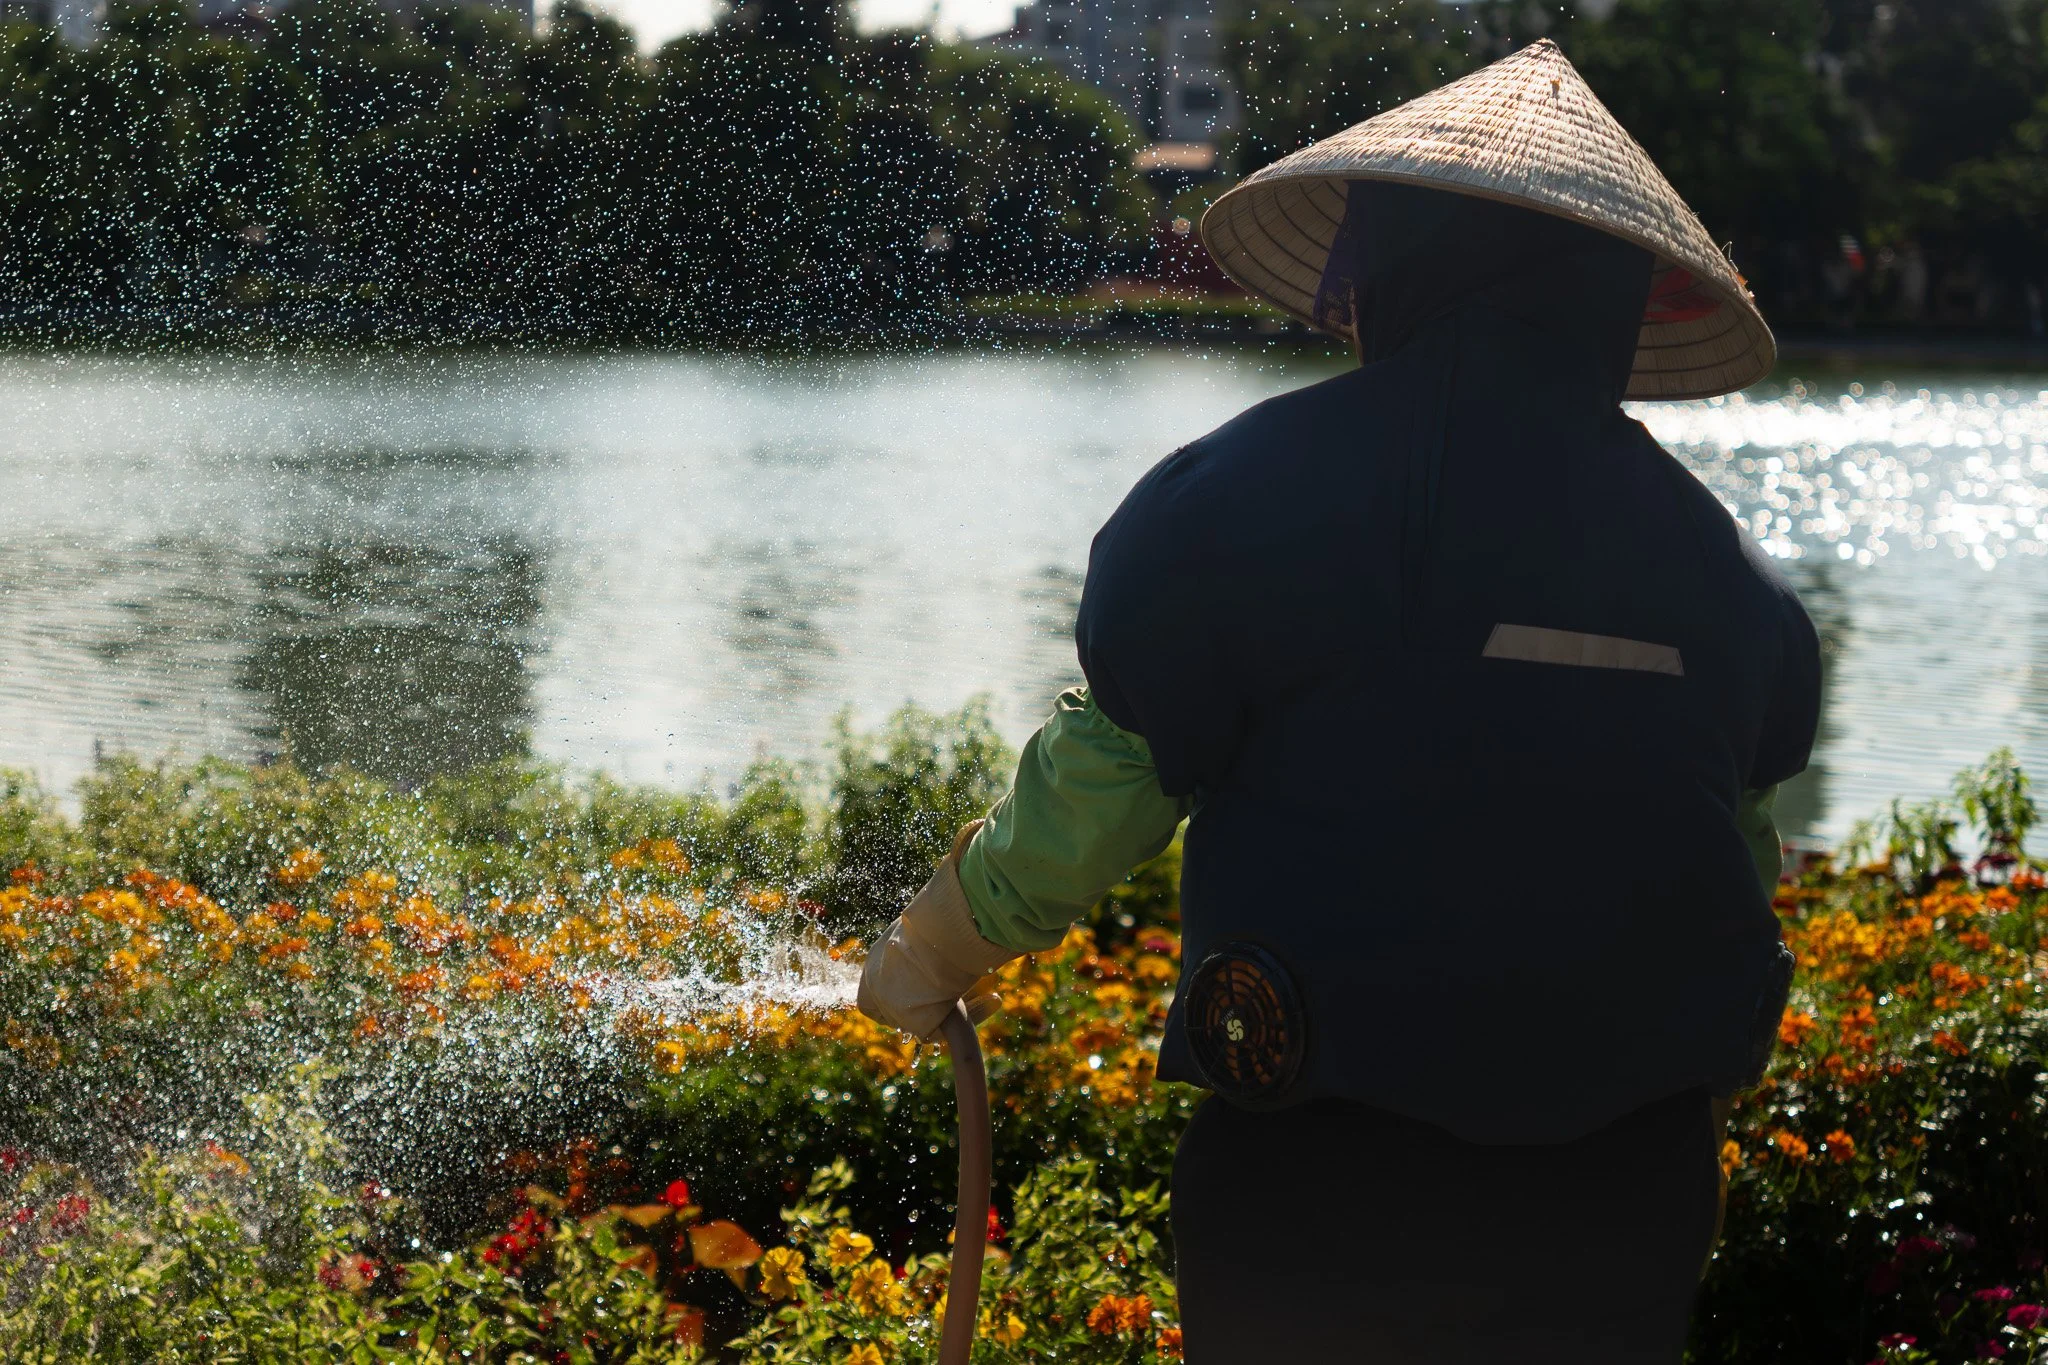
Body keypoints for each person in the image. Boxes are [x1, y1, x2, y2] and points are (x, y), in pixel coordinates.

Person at [858, 39, 1821, 1365]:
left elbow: (1099, 790)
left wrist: (938, 946)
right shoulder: (1721, 564)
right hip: (1629, 1192)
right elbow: (1740, 854)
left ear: (1388, 270)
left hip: (1324, 1188)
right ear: (1617, 297)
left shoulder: (1248, 497)